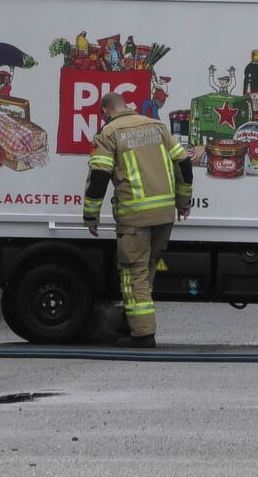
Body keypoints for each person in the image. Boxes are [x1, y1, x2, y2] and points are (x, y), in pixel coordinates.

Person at [83, 92, 193, 347]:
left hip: (135, 217)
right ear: (127, 106)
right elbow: (184, 164)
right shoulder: (157, 127)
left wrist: (91, 214)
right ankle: (135, 322)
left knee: (134, 276)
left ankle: (143, 335)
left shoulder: (109, 133)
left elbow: (99, 177)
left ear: (105, 111)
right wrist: (183, 202)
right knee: (147, 270)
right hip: (164, 215)